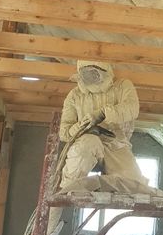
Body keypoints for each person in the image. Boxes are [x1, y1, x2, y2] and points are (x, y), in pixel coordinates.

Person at [59, 60, 148, 188]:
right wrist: (83, 127)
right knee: (84, 149)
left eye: (94, 73)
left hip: (116, 144)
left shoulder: (122, 86)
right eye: (86, 73)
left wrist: (102, 114)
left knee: (133, 186)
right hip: (86, 143)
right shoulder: (75, 95)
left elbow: (132, 108)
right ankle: (67, 192)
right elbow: (65, 133)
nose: (90, 77)